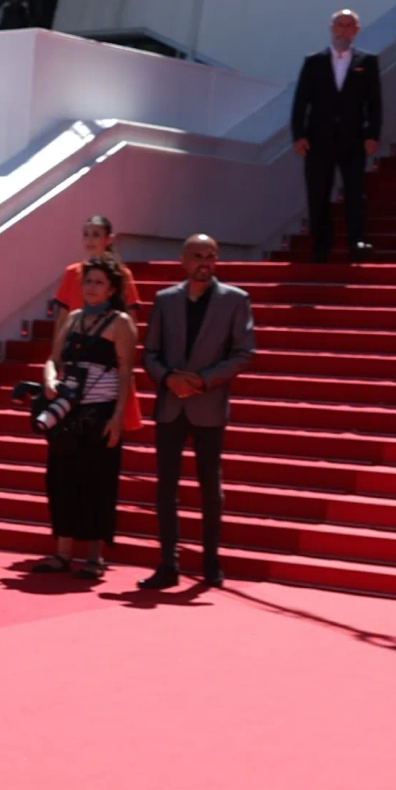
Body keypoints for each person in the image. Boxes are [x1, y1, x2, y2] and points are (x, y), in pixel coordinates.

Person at [137, 233, 256, 590]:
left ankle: (209, 563)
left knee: (209, 486)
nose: (205, 261)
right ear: (182, 260)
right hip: (170, 405)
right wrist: (169, 379)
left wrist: (202, 381)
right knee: (165, 487)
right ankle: (167, 564)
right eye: (198, 255)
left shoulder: (235, 300)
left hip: (208, 404)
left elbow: (243, 352)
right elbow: (150, 353)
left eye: (211, 255)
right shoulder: (165, 300)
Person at [37, 252, 135, 580]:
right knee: (61, 479)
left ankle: (95, 557)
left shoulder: (121, 323)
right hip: (66, 410)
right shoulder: (73, 318)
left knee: (98, 482)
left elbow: (125, 373)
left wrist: (118, 417)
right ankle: (62, 552)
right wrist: (50, 379)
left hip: (99, 411)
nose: (91, 287)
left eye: (98, 282)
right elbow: (53, 359)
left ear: (111, 289)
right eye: (87, 281)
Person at [291, 8, 381, 261]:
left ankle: (357, 241)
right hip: (319, 139)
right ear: (332, 28)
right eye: (340, 25)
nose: (344, 30)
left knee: (355, 191)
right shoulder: (314, 61)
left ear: (356, 30)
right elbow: (301, 101)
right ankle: (321, 244)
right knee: (318, 191)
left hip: (353, 139)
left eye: (349, 25)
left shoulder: (367, 61)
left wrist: (373, 133)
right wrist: (298, 135)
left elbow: (374, 102)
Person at [53, 209, 143, 432]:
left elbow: (131, 319)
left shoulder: (122, 275)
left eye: (95, 234)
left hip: (106, 351)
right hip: (76, 346)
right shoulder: (71, 272)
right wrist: (57, 353)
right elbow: (62, 317)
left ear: (108, 239)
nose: (90, 240)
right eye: (86, 234)